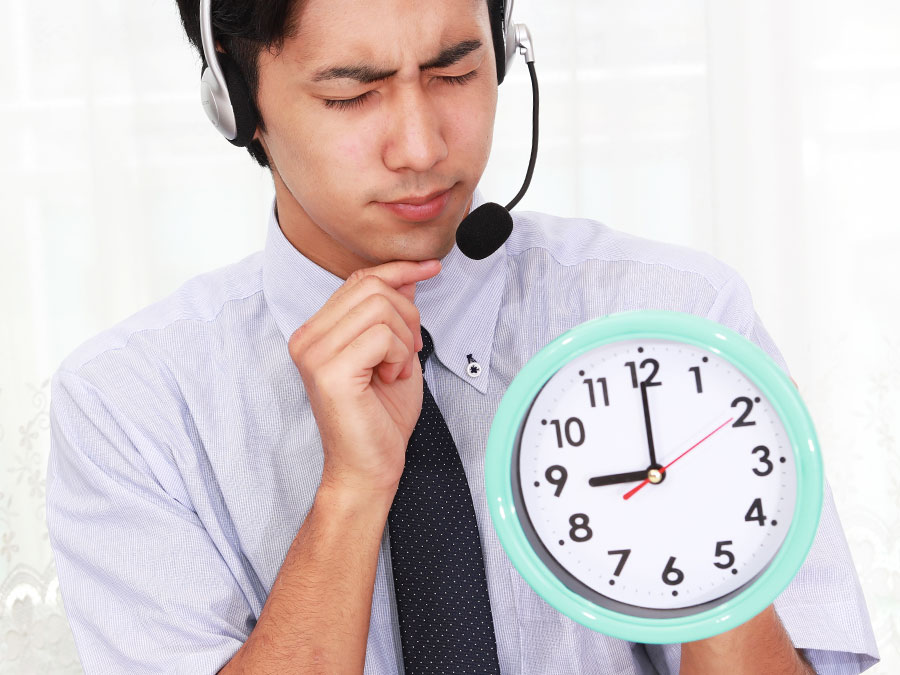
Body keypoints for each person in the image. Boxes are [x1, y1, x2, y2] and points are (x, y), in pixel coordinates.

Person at [45, 0, 879, 672]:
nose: (422, 146)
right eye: (351, 94)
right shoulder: (130, 405)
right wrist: (352, 490)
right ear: (236, 104)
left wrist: (706, 519)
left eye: (454, 71)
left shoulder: (682, 322)